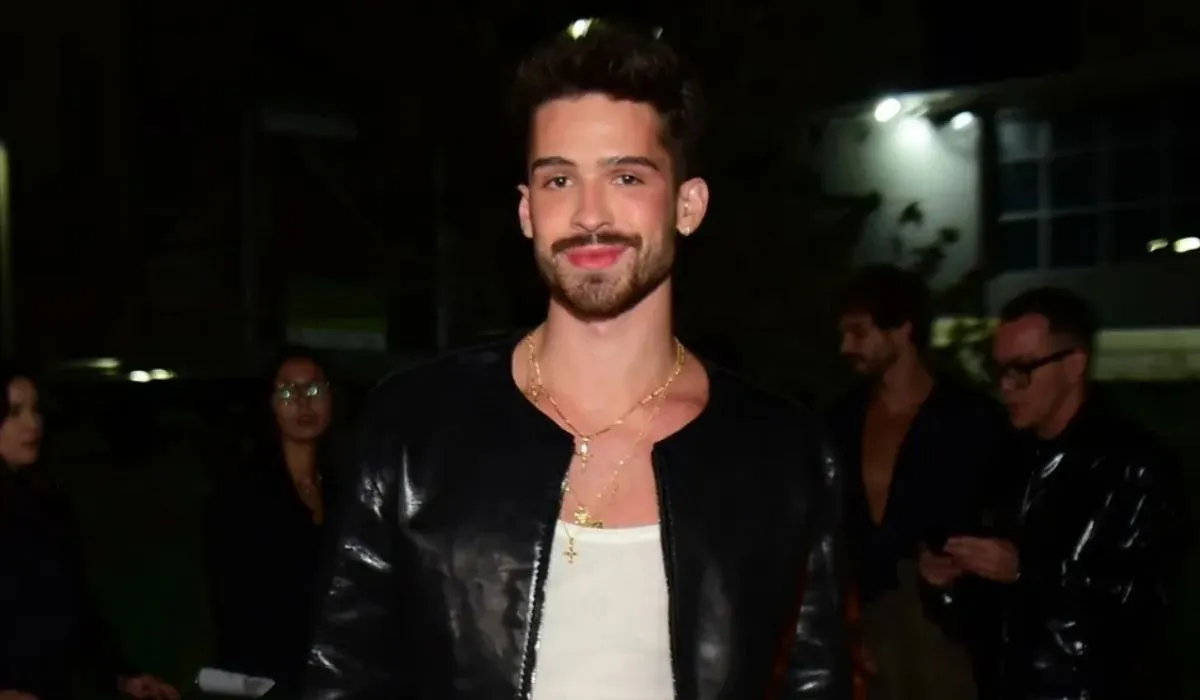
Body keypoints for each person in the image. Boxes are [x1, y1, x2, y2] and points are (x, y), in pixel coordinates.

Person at [302, 22, 848, 700]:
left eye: (626, 176)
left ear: (688, 205)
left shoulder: (783, 456)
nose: (590, 215)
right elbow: (339, 678)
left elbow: (815, 682)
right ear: (527, 211)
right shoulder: (412, 428)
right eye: (560, 179)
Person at [922, 286, 1183, 699]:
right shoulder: (1003, 459)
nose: (1007, 387)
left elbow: (1147, 603)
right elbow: (981, 620)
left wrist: (1026, 572)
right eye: (999, 370)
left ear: (1073, 365)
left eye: (1022, 369)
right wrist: (947, 586)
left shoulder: (1135, 464)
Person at [827, 265, 1011, 700]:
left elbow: (1005, 524)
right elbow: (832, 535)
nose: (846, 347)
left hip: (950, 636)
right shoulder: (839, 422)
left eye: (859, 332)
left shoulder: (974, 421)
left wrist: (957, 571)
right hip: (868, 633)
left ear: (903, 328)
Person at [0, 364, 178, 700]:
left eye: (36, 410)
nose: (32, 423)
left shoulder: (46, 504)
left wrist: (124, 676)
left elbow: (76, 610)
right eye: (14, 412)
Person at [206, 346, 342, 695]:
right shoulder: (243, 490)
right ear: (268, 404)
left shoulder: (349, 485)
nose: (303, 402)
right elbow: (232, 603)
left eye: (314, 389)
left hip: (335, 673)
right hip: (264, 676)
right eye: (287, 391)